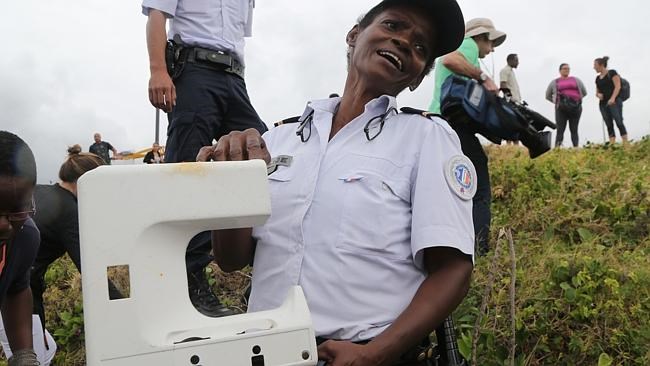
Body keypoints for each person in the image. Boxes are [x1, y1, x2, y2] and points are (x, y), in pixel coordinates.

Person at [198, 1, 475, 365]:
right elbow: (232, 259)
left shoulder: (426, 138)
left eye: (420, 46)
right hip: (265, 352)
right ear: (355, 34)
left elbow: (453, 268)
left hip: (360, 354)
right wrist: (230, 181)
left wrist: (375, 353)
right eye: (393, 25)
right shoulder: (280, 139)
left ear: (417, 78)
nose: (405, 42)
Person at [142, 0, 268, 317]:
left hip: (234, 78)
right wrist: (158, 70)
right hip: (195, 70)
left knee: (262, 161)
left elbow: (235, 38)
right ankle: (190, 282)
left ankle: (267, 272)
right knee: (189, 172)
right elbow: (158, 16)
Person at [428, 17, 506, 256]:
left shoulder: (470, 56)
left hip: (438, 122)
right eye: (490, 43)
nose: (491, 49)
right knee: (479, 187)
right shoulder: (468, 45)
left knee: (446, 187)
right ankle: (478, 250)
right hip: (450, 123)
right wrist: (483, 78)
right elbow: (449, 59)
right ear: (481, 37)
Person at [28, 145, 123, 337]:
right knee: (36, 354)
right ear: (86, 182)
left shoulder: (39, 190)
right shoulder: (69, 212)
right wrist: (123, 306)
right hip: (20, 290)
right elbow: (90, 270)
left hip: (10, 276)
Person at [0, 131, 40, 366]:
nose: (4, 225)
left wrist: (24, 356)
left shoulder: (24, 237)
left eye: (17, 209)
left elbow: (16, 288)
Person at [545, 63, 588, 147]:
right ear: (560, 70)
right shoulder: (555, 82)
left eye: (568, 68)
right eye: (564, 68)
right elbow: (547, 95)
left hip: (575, 108)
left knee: (574, 129)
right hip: (561, 109)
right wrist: (556, 102)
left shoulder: (576, 80)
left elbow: (584, 92)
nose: (566, 70)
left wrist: (576, 99)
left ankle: (575, 148)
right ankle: (557, 149)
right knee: (560, 130)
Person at [594, 56, 628, 144]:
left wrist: (612, 98)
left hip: (615, 101)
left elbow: (618, 86)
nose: (594, 67)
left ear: (601, 65)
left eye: (595, 65)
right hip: (603, 103)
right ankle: (612, 144)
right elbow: (597, 92)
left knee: (619, 121)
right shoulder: (597, 78)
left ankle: (625, 142)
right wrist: (598, 95)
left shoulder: (612, 73)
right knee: (609, 124)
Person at [499, 53, 521, 145]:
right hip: (510, 102)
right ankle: (509, 146)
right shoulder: (505, 71)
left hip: (516, 101)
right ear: (510, 61)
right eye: (516, 60)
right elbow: (503, 84)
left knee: (516, 124)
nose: (518, 62)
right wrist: (509, 98)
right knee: (511, 124)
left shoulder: (511, 71)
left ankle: (515, 146)